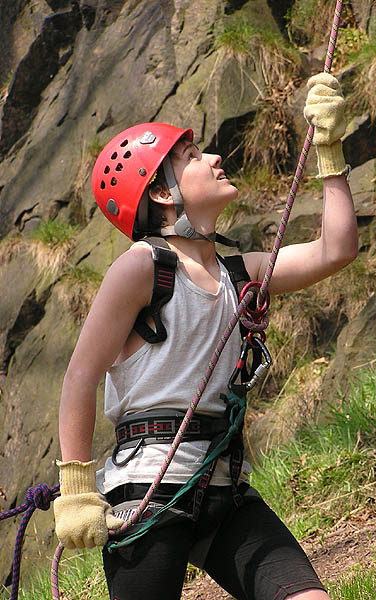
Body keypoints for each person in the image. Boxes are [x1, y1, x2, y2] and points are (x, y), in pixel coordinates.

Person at [53, 72, 358, 600]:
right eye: (192, 156)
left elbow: (336, 250)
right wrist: (76, 489)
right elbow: (81, 373)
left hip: (223, 486)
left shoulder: (240, 273)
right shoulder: (142, 267)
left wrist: (329, 152)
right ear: (161, 194)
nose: (213, 158)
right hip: (147, 492)